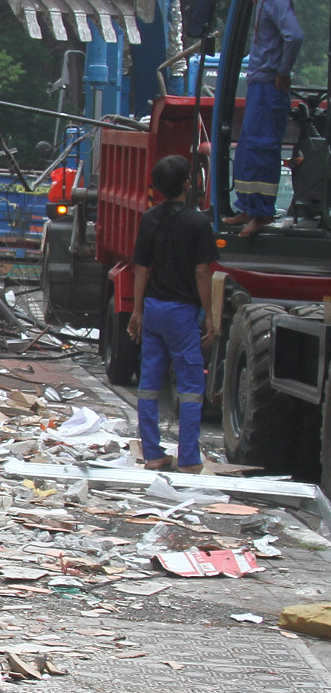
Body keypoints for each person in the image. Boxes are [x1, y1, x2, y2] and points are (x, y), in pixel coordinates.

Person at [128, 154, 220, 473]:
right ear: (187, 183)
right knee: (191, 388)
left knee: (149, 384)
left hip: (153, 308)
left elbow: (141, 268)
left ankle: (153, 454)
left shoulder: (150, 219)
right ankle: (189, 459)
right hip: (182, 313)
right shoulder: (198, 223)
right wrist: (210, 316)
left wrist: (137, 311)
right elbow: (202, 272)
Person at [226, 0, 302, 237]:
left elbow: (294, 36)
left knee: (262, 147)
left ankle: (262, 212)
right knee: (247, 147)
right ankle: (247, 205)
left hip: (270, 83)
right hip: (258, 82)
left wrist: (282, 71)